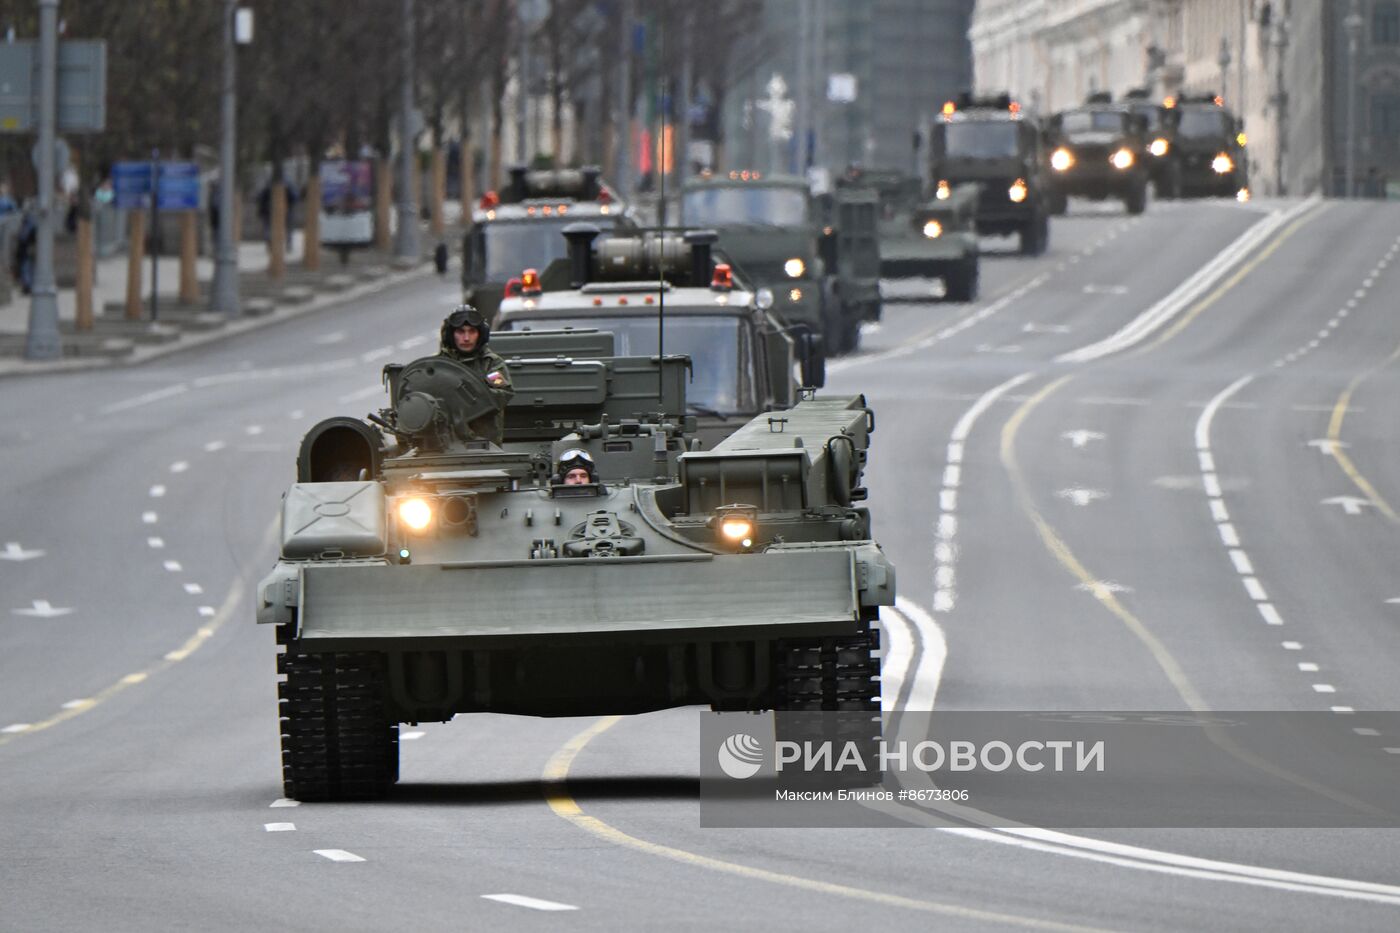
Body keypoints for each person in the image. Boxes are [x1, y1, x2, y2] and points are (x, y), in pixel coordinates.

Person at [437, 303, 514, 444]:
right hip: (444, 445)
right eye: (460, 331)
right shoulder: (438, 365)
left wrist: (469, 394)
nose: (466, 338)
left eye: (472, 331)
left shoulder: (490, 364)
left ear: (480, 334)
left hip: (484, 445)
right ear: (450, 334)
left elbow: (503, 394)